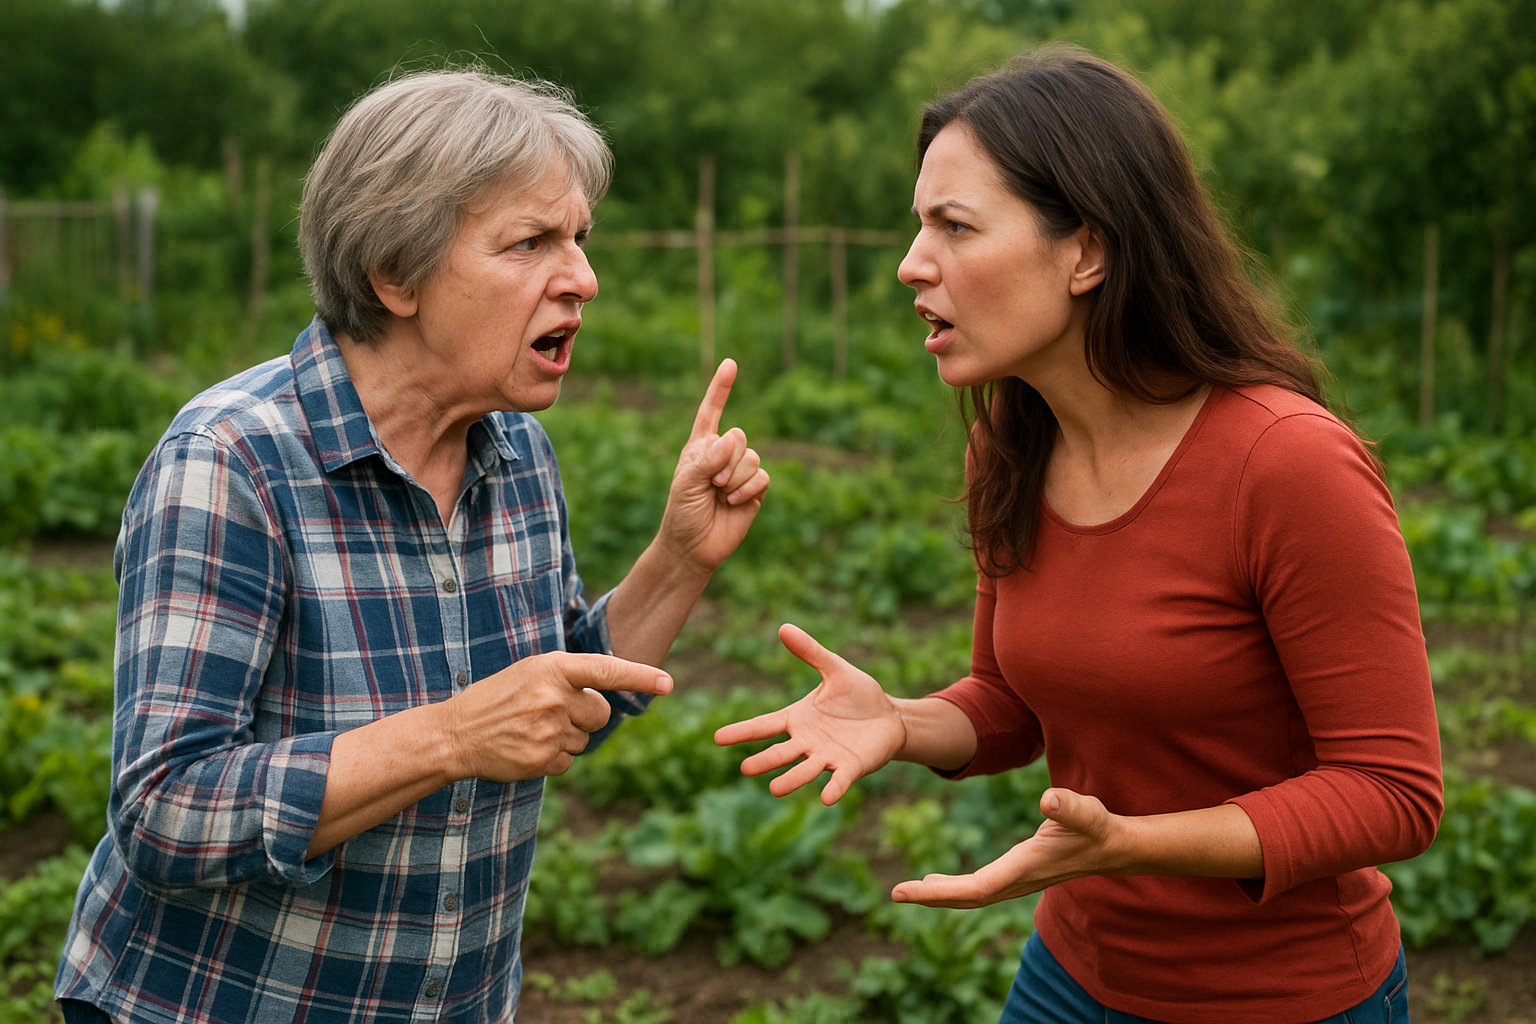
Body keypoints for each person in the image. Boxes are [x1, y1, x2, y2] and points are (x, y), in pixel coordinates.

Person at [717, 46, 1441, 1024]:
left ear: (1088, 251)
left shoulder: (1287, 463)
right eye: (917, 225)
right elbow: (1011, 701)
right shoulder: (1013, 447)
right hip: (1072, 976)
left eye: (954, 226)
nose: (909, 263)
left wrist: (1139, 844)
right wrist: (901, 720)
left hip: (1280, 999)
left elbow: (1393, 791)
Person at [54, 70, 769, 1024]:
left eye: (580, 241)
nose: (584, 279)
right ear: (396, 275)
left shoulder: (512, 452)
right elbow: (166, 813)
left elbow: (555, 707)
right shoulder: (232, 464)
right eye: (532, 243)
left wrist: (681, 559)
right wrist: (452, 736)